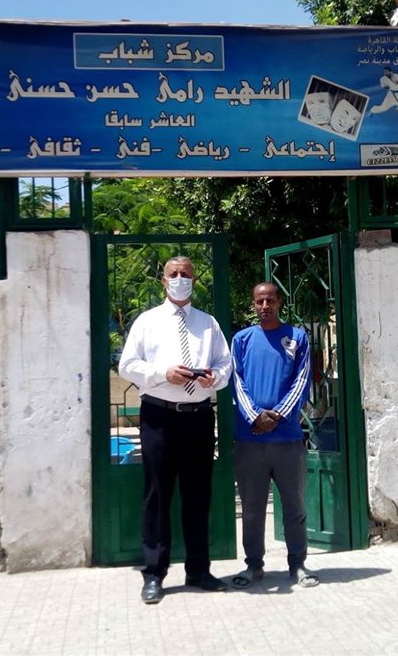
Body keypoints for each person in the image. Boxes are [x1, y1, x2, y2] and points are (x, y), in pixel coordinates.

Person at [118, 256, 233, 605]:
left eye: (186, 274)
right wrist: (161, 374)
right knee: (157, 496)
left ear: (194, 281)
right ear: (164, 281)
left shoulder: (208, 323)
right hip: (160, 417)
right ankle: (154, 574)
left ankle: (198, 570)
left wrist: (216, 378)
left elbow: (224, 363)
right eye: (174, 274)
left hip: (199, 417)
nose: (180, 278)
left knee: (198, 496)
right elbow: (127, 365)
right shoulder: (147, 322)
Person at [230, 282, 319, 589]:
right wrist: (255, 415)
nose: (265, 305)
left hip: (288, 440)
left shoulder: (297, 337)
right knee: (252, 510)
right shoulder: (242, 339)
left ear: (279, 301)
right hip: (250, 440)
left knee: (294, 508)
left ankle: (298, 565)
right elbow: (236, 382)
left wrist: (277, 415)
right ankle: (253, 566)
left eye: (270, 300)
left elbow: (302, 380)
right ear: (253, 304)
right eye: (259, 301)